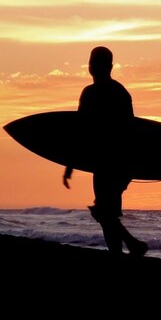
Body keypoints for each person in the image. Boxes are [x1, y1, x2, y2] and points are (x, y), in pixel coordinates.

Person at [62, 46, 149, 257]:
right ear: (89, 66)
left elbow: (130, 132)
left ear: (109, 67)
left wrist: (132, 169)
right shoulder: (94, 93)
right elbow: (81, 131)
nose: (94, 67)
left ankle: (133, 244)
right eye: (92, 63)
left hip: (114, 163)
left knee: (104, 212)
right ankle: (120, 252)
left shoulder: (114, 93)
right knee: (106, 213)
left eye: (98, 63)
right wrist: (70, 165)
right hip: (103, 163)